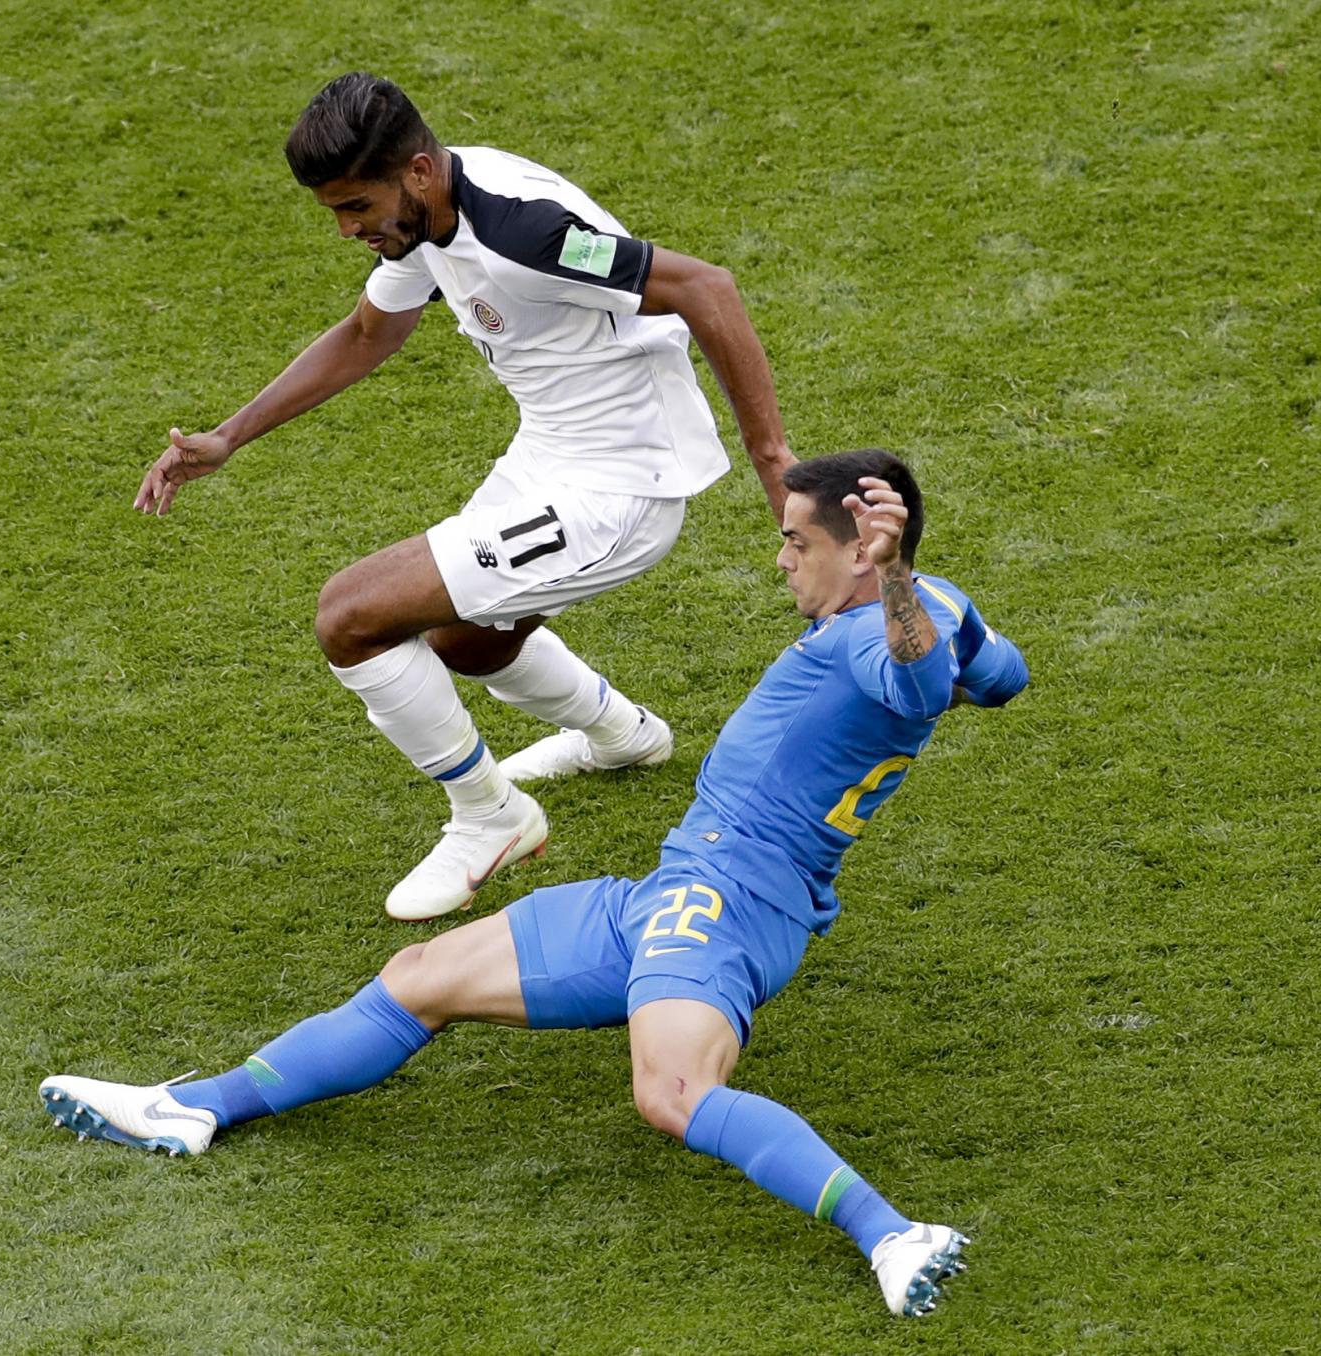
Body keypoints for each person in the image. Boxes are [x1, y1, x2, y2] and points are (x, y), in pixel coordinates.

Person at [52, 451, 1029, 1318]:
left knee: (674, 1092)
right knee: (421, 974)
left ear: (859, 553)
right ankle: (199, 1108)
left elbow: (910, 680)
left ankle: (892, 1234)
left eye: (793, 541)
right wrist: (920, 594)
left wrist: (895, 583)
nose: (778, 559)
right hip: (674, 892)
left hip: (726, 910)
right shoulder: (943, 607)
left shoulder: (885, 629)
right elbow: (1000, 676)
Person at [134, 73, 797, 920]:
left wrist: (772, 461)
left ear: (414, 171)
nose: (347, 230)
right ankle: (625, 737)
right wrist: (230, 436)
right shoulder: (428, 213)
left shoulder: (526, 232)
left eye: (353, 206)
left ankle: (490, 817)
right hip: (550, 450)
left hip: (620, 484)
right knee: (465, 643)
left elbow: (706, 288)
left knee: (351, 616)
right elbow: (370, 333)